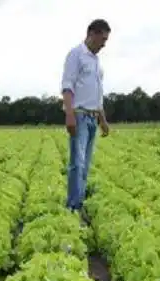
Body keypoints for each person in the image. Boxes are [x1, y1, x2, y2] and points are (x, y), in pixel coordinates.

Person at [60, 19, 112, 212]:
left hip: (92, 117)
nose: (104, 44)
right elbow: (67, 86)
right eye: (103, 39)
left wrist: (103, 121)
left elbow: (97, 95)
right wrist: (69, 114)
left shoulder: (97, 62)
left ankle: (79, 201)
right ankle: (73, 206)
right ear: (91, 34)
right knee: (77, 163)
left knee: (86, 164)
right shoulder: (76, 55)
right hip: (79, 116)